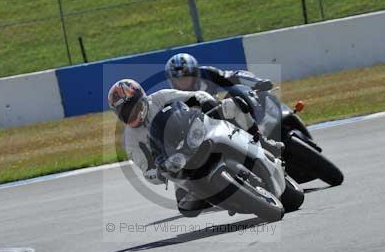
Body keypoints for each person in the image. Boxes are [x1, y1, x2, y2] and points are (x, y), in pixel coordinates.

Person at [107, 79, 217, 216]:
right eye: (124, 112)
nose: (131, 114)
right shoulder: (130, 140)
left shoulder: (161, 97)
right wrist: (159, 173)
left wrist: (206, 102)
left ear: (141, 97)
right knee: (187, 206)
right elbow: (146, 170)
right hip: (179, 163)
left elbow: (193, 96)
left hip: (197, 136)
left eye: (132, 108)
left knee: (230, 108)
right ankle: (219, 197)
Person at [165, 53, 283, 154]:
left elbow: (233, 77)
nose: (182, 83)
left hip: (224, 117)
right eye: (178, 80)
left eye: (186, 78)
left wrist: (257, 82)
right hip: (202, 135)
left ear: (195, 74)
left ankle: (261, 141)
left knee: (235, 93)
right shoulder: (173, 100)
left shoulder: (207, 74)